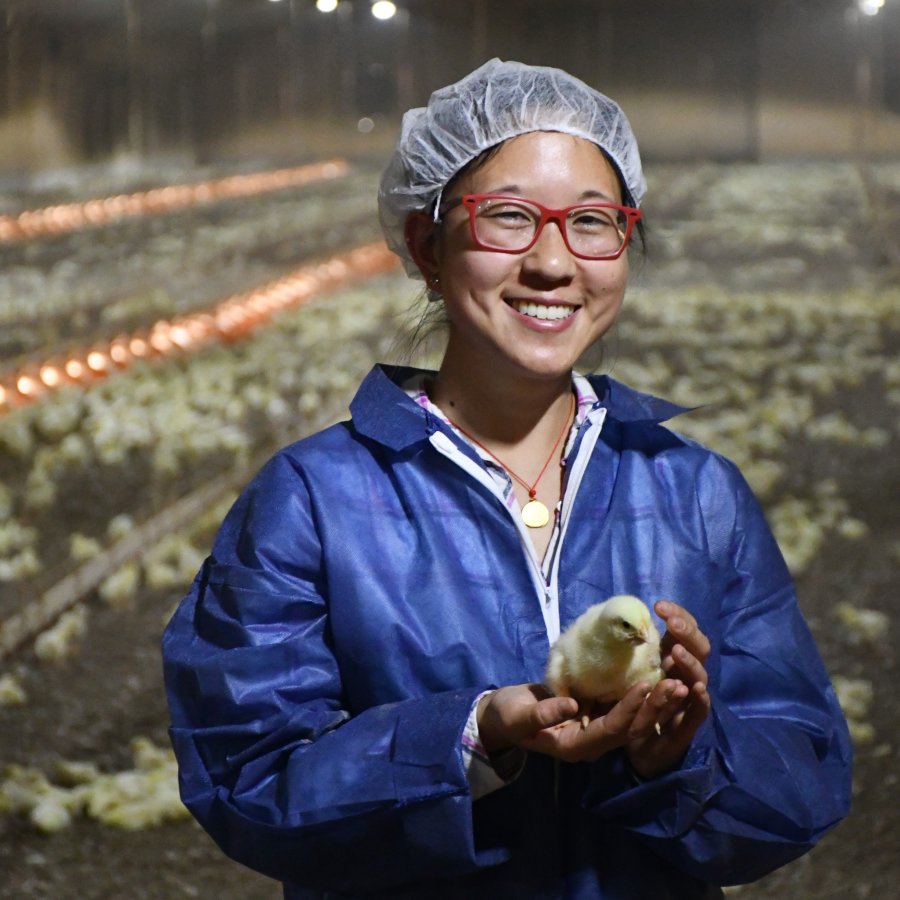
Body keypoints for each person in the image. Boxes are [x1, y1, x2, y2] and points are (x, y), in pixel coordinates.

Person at [162, 59, 852, 899]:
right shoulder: (315, 501)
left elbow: (803, 773)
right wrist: (476, 735)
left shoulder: (695, 494)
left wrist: (680, 757)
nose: (554, 263)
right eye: (510, 217)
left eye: (593, 222)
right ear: (427, 245)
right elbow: (247, 780)